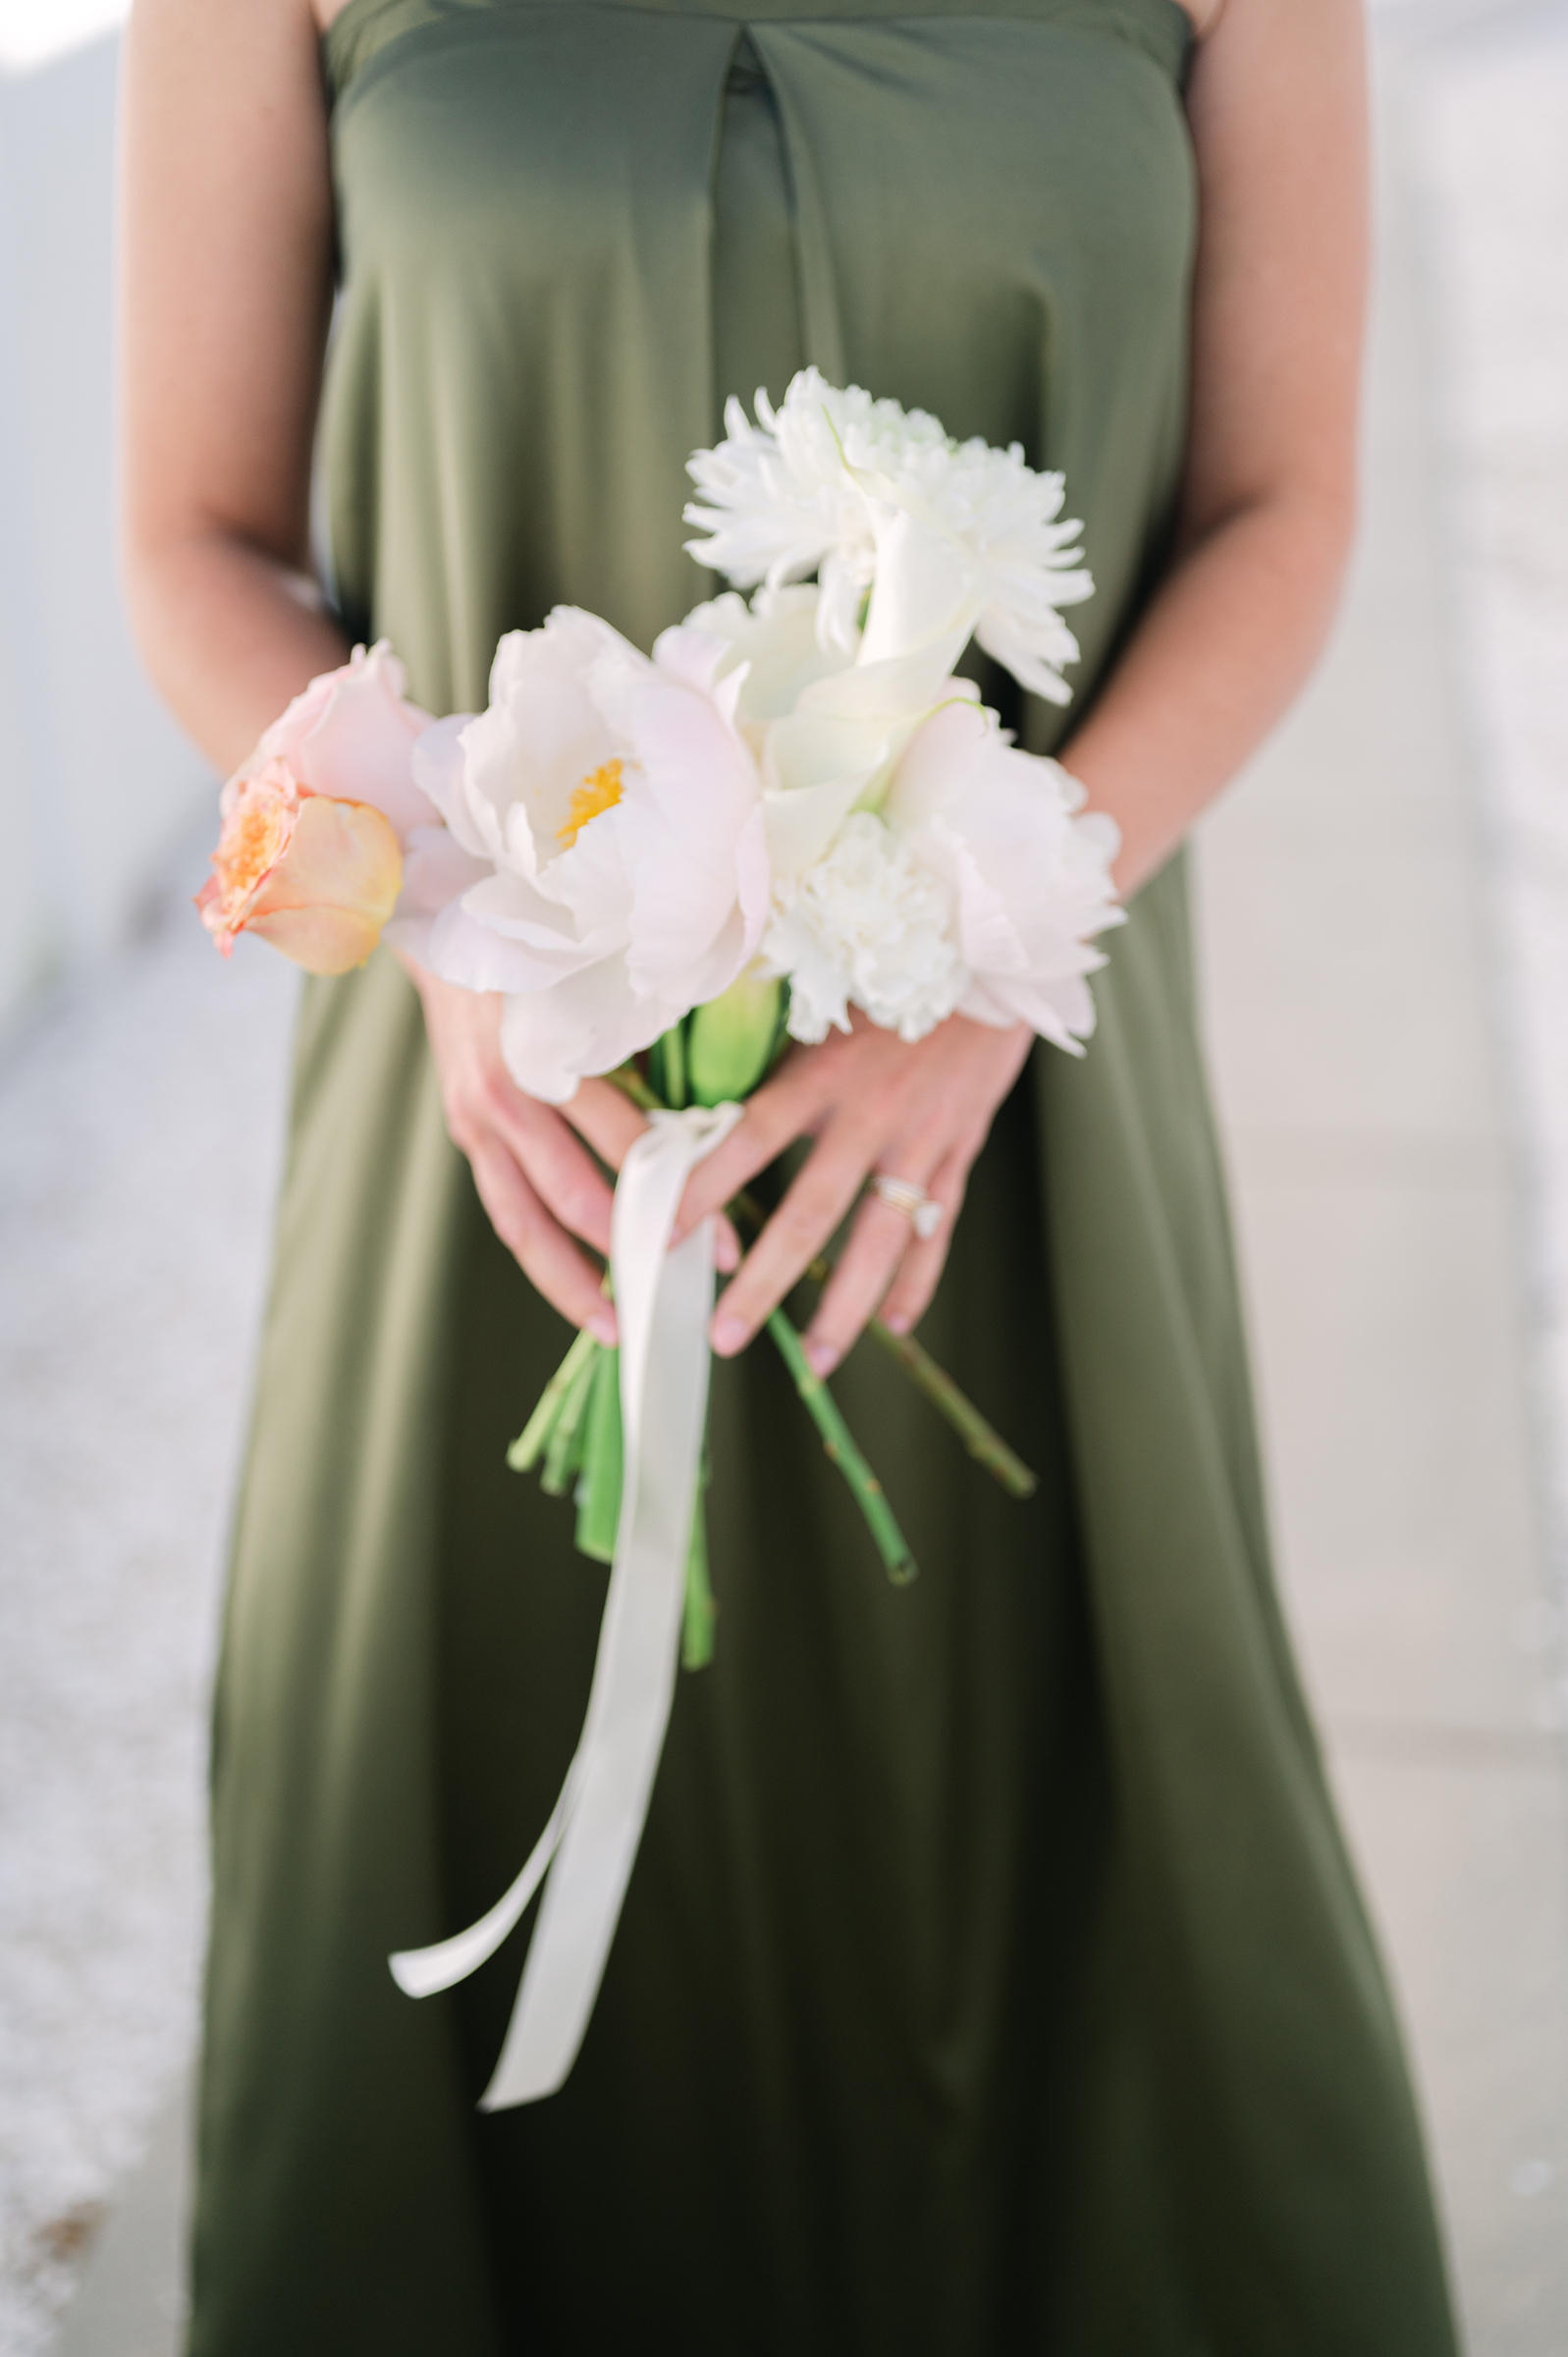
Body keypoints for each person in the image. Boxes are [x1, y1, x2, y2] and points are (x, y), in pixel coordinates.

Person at [121, 0, 1461, 2347]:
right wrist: (449, 919)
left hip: (1014, 1116)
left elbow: (1284, 500)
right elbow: (189, 532)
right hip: (496, 1148)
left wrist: (998, 938)